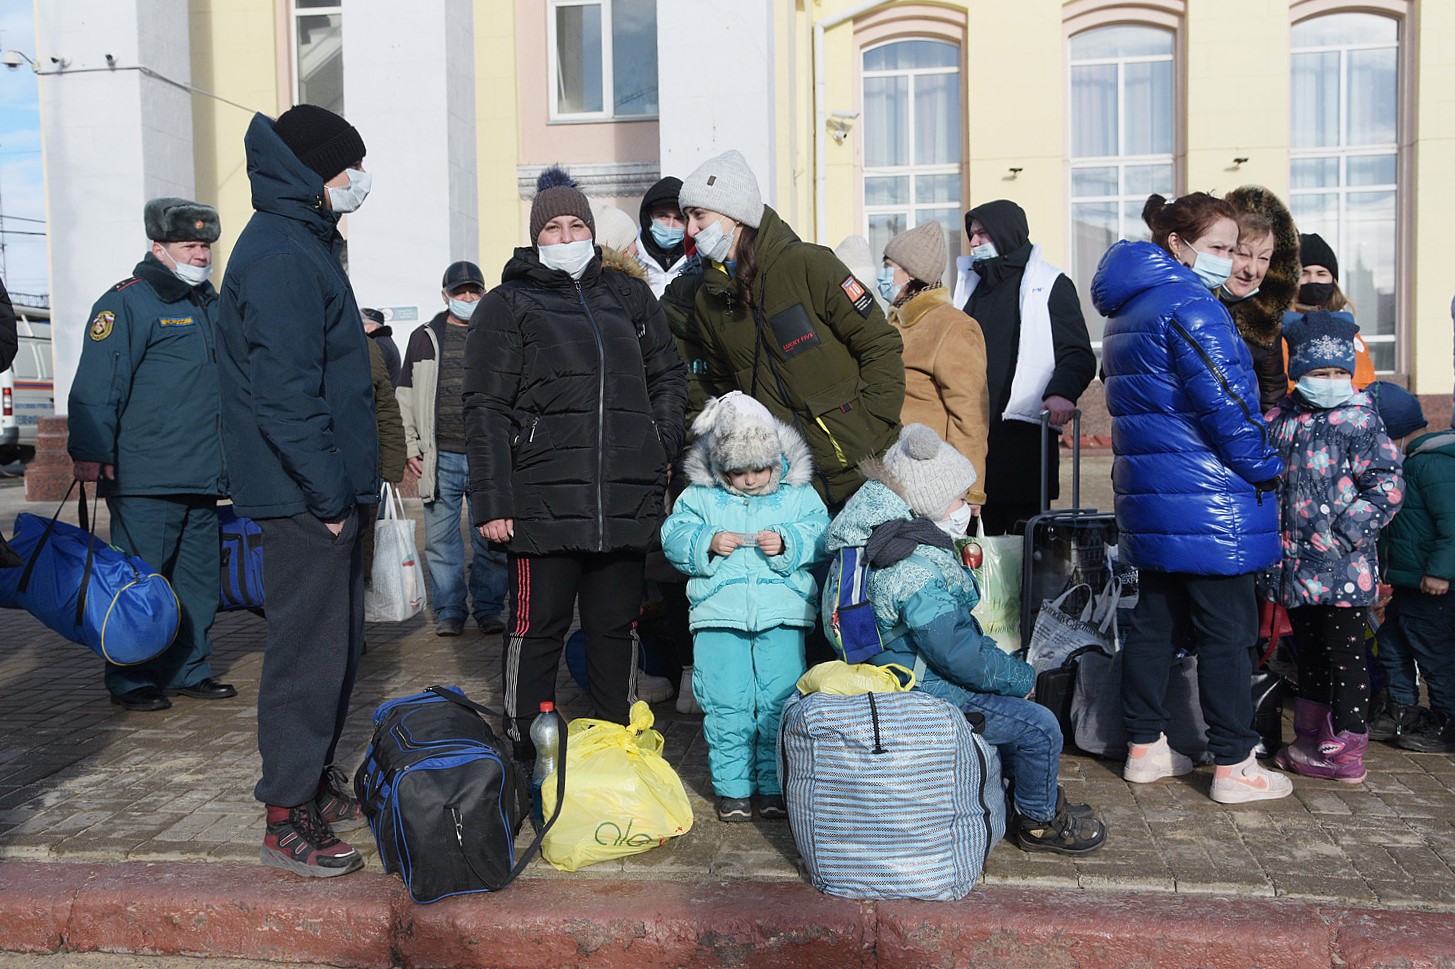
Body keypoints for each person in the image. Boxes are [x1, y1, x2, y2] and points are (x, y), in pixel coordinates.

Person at [463, 166, 687, 762]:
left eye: (576, 225)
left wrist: (657, 442)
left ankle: (617, 750)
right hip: (541, 503)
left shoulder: (628, 295)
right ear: (537, 237)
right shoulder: (506, 305)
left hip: (622, 499)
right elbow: (484, 407)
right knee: (537, 633)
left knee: (617, 633)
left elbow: (666, 376)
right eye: (554, 228)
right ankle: (524, 752)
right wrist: (492, 499)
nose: (567, 237)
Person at [215, 104, 379, 877]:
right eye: (348, 168)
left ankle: (310, 779)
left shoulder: (305, 240)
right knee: (307, 657)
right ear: (316, 172)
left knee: (336, 647)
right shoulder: (282, 253)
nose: (358, 181)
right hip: (305, 496)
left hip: (328, 489)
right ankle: (285, 814)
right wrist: (327, 497)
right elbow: (285, 395)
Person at [1092, 192, 1292, 804]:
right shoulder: (1192, 307)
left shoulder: (1129, 309)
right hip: (1209, 501)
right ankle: (1235, 763)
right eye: (1218, 247)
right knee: (1227, 632)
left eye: (1235, 248)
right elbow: (1228, 407)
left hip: (1154, 499)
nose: (1230, 260)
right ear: (1177, 246)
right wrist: (1266, 466)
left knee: (1154, 624)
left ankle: (1145, 748)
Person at [824, 424, 1106, 854]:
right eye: (960, 499)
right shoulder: (911, 568)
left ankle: (1022, 796)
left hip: (891, 674)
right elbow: (957, 652)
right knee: (1041, 726)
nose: (966, 509)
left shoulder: (870, 542)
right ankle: (1037, 820)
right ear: (930, 502)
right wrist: (1020, 677)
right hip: (922, 690)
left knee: (1014, 717)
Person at [662, 149, 904, 511]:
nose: (691, 229)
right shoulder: (710, 301)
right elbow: (725, 390)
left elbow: (879, 344)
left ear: (737, 216)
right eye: (687, 218)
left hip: (869, 466)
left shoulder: (809, 265)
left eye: (699, 216)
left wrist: (873, 420)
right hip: (791, 485)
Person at [67, 197, 233, 712]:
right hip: (145, 474)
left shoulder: (210, 301)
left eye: (206, 246)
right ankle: (132, 678)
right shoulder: (127, 302)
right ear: (158, 247)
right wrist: (91, 450)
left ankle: (190, 668)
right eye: (190, 245)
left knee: (198, 585)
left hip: (204, 474)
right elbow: (98, 383)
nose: (201, 255)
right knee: (139, 584)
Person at [660, 392, 828, 822]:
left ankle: (774, 785)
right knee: (725, 701)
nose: (751, 479)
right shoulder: (699, 497)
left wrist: (790, 541)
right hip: (719, 616)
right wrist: (707, 542)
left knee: (778, 701)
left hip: (781, 615)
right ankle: (733, 788)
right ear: (720, 466)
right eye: (738, 472)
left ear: (776, 458)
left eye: (759, 468)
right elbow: (674, 536)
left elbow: (823, 535)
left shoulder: (798, 494)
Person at [1264, 312, 1403, 783]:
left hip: (1343, 565)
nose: (1330, 382)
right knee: (1311, 654)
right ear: (1298, 373)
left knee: (1347, 656)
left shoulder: (1360, 421)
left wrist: (1344, 535)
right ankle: (1309, 738)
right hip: (1296, 567)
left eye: (1339, 373)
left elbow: (1386, 485)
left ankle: (1346, 746)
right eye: (1319, 373)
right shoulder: (1282, 421)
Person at [949, 200, 1095, 536]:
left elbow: (1077, 353)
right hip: (970, 436)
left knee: (1021, 548)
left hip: (1021, 441)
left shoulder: (1051, 284)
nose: (973, 243)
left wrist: (1061, 392)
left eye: (982, 233)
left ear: (1005, 232)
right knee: (971, 546)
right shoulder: (969, 285)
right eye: (971, 235)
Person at [397, 261, 509, 637]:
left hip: (486, 455)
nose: (467, 297)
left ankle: (490, 609)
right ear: (445, 295)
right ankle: (449, 610)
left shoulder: (496, 333)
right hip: (439, 455)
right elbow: (405, 397)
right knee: (441, 540)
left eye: (473, 291)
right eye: (459, 291)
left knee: (491, 539)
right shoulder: (424, 337)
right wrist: (410, 445)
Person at [879, 221, 989, 506]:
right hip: (896, 472)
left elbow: (970, 416)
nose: (884, 272)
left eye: (889, 265)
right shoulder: (895, 323)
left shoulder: (952, 327)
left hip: (934, 482)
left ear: (912, 274)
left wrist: (971, 489)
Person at [1371, 390, 1455, 752]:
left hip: (1431, 585)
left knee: (1436, 656)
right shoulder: (1412, 463)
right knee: (1391, 645)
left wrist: (1441, 571)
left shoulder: (1431, 464)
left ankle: (1446, 720)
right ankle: (1402, 709)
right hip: (1408, 580)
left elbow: (1451, 522)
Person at [1220, 185, 1300, 410]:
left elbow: (1272, 397)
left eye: (1264, 258)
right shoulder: (1186, 304)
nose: (1252, 270)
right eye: (1243, 254)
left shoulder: (1264, 318)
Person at [1286, 233, 1374, 389]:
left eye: (1321, 274)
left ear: (1333, 280)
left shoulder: (1347, 327)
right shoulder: (1283, 330)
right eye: (1304, 273)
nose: (1313, 280)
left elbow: (1367, 383)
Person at [359, 324, 407, 596]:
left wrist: (391, 467)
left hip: (366, 469)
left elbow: (386, 406)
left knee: (364, 542)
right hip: (324, 468)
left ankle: (357, 628)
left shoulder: (368, 347)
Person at [636, 176, 688, 298]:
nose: (670, 226)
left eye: (679, 218)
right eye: (663, 216)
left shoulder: (698, 261)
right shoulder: (630, 257)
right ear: (649, 217)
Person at [360, 308, 400, 386]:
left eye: (363, 324)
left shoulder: (379, 344)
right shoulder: (384, 341)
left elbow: (373, 375)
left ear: (374, 325)